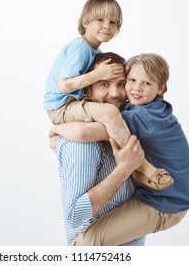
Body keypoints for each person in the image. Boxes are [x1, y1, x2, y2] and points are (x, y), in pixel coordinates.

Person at [51, 53, 189, 245]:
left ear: (161, 88)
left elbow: (84, 132)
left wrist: (54, 130)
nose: (136, 88)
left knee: (87, 243)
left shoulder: (146, 116)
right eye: (132, 80)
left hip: (165, 204)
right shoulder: (141, 107)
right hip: (155, 195)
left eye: (147, 83)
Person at [44, 0, 172, 190]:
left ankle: (131, 167)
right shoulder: (80, 48)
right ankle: (143, 166)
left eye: (113, 22)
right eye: (100, 20)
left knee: (112, 120)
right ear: (85, 21)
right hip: (62, 106)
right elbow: (64, 85)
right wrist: (98, 74)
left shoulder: (94, 52)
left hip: (71, 105)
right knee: (110, 113)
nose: (107, 26)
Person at [53, 52, 146, 245]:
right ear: (87, 90)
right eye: (104, 84)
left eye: (121, 84)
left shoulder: (129, 123)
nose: (114, 93)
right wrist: (124, 169)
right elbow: (74, 216)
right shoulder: (80, 145)